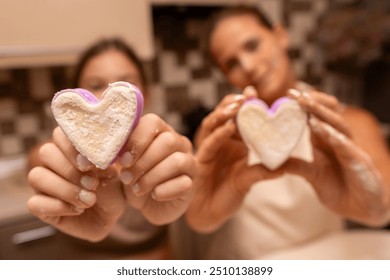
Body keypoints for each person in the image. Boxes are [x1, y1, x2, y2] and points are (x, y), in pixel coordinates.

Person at [169, 5, 390, 259]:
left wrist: (370, 205)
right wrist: (210, 200)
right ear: (226, 76)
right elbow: (201, 219)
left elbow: (382, 207)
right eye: (232, 64)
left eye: (252, 46)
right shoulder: (226, 138)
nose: (249, 65)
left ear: (280, 36)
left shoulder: (348, 122)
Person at [27, 38, 196, 256]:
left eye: (126, 83)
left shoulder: (164, 150)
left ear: (146, 94)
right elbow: (39, 158)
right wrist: (49, 165)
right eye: (96, 85)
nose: (108, 95)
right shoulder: (69, 155)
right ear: (77, 99)